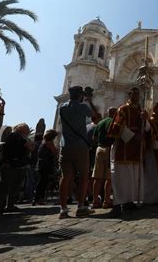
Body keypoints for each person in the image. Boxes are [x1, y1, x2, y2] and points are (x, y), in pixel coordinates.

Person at [107, 87, 148, 217]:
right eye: (134, 93)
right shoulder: (122, 109)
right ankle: (118, 203)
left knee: (132, 177)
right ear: (129, 94)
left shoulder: (141, 111)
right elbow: (116, 127)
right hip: (123, 148)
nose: (136, 95)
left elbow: (146, 128)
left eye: (138, 93)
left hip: (136, 149)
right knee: (121, 177)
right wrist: (134, 136)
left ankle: (129, 201)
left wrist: (145, 120)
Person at [58, 86, 94, 219]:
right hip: (80, 146)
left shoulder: (62, 107)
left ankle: (63, 209)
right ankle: (80, 206)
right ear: (80, 95)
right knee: (84, 176)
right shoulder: (83, 106)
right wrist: (88, 100)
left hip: (65, 145)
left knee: (65, 177)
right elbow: (95, 116)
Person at [0, 123, 34, 216]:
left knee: (13, 187)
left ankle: (8, 206)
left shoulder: (19, 137)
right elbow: (30, 147)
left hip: (17, 165)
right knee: (4, 187)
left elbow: (30, 147)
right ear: (21, 129)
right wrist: (28, 143)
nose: (27, 131)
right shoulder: (16, 136)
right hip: (10, 165)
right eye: (26, 129)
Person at [91, 107, 116, 209]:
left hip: (99, 149)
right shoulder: (112, 122)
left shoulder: (101, 122)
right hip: (109, 149)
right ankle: (106, 200)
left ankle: (95, 201)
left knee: (97, 177)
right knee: (108, 177)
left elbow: (94, 137)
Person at [34, 130, 58, 205]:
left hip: (41, 164)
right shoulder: (49, 143)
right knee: (43, 182)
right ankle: (39, 198)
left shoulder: (43, 142)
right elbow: (55, 152)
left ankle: (38, 198)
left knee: (41, 182)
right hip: (46, 164)